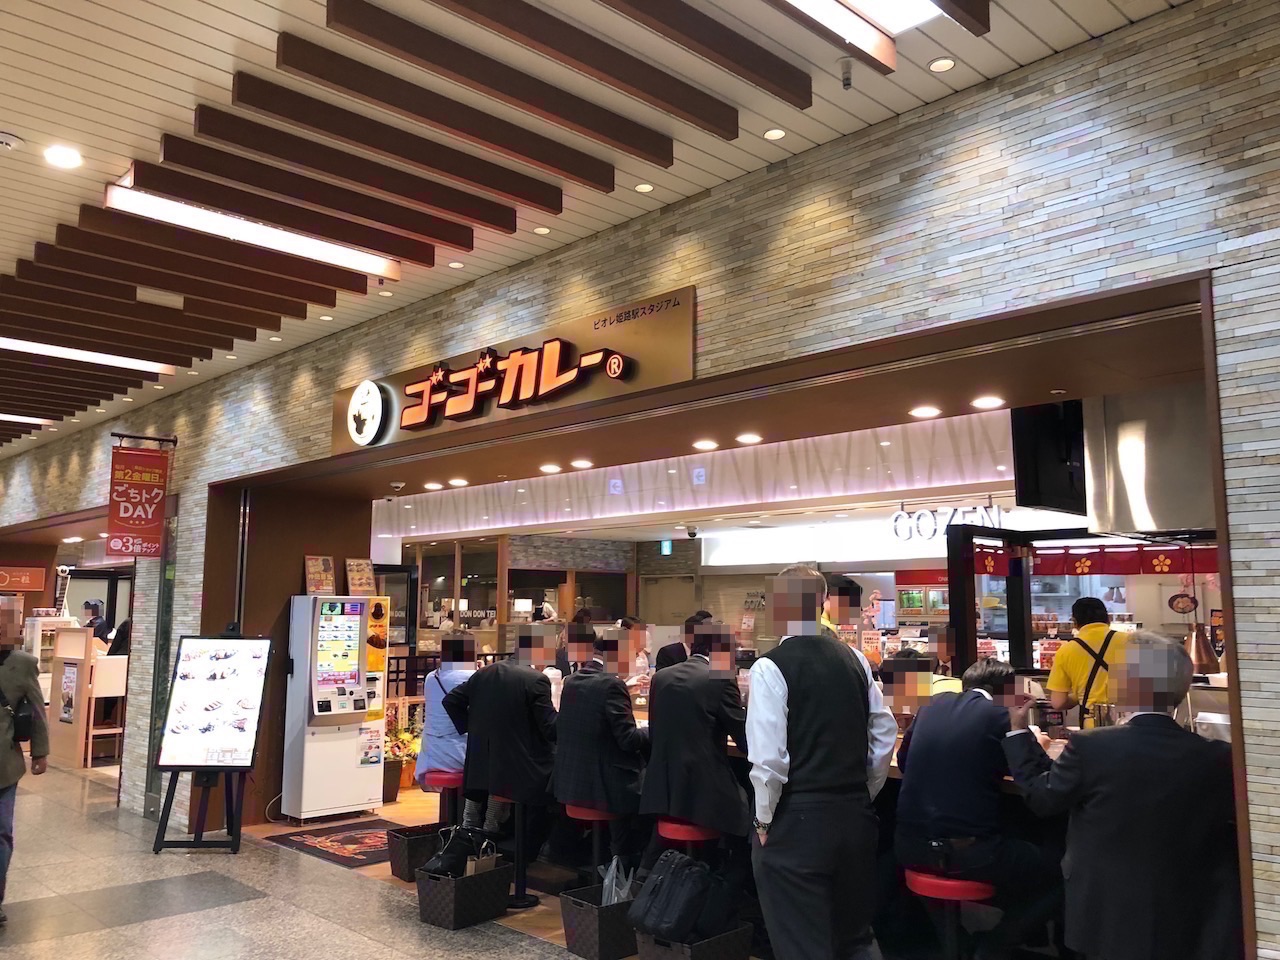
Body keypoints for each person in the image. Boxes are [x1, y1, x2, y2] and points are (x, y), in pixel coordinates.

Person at [1005, 631, 1242, 960]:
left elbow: (1042, 799)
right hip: (1188, 907)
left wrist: (1017, 733)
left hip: (1103, 907)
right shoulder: (1215, 756)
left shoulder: (1092, 746)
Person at [748, 564, 896, 960]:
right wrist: (864, 790)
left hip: (797, 821)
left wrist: (763, 820)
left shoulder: (770, 666)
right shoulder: (856, 660)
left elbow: (768, 761)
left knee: (803, 944)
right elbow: (884, 734)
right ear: (822, 602)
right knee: (855, 937)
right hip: (853, 816)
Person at [895, 658, 1063, 960]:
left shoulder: (931, 706)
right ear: (1007, 692)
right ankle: (995, 946)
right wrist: (1024, 735)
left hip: (909, 847)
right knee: (1062, 872)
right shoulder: (1001, 715)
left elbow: (905, 763)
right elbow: (1037, 775)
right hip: (970, 854)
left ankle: (962, 943)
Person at [640, 620, 748, 838]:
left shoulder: (661, 677)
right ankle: (730, 870)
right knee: (750, 801)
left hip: (661, 787)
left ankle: (649, 867)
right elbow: (744, 739)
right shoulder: (720, 678)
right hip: (702, 791)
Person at [554, 623, 650, 868]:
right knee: (658, 789)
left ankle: (615, 859)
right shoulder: (611, 685)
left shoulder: (573, 680)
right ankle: (628, 865)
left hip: (572, 782)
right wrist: (657, 728)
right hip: (605, 787)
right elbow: (628, 740)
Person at [443, 624, 558, 821]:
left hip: (482, 764)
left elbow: (451, 700)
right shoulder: (536, 680)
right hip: (521, 767)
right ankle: (544, 846)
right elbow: (550, 729)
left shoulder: (486, 672)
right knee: (564, 773)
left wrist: (473, 728)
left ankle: (479, 831)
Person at [0, 628, 50, 924]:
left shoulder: (22, 663)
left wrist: (40, 752)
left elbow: (36, 710)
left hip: (4, 765)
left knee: (2, 834)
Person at [415, 631, 487, 830]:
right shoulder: (474, 678)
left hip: (432, 754)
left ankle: (454, 827)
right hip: (460, 756)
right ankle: (481, 827)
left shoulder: (432, 678)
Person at [1046, 597, 1126, 724]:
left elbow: (1058, 702)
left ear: (1075, 622)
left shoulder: (1066, 650)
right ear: (1108, 619)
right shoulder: (1132, 640)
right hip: (1127, 722)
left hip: (1092, 725)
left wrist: (1081, 696)